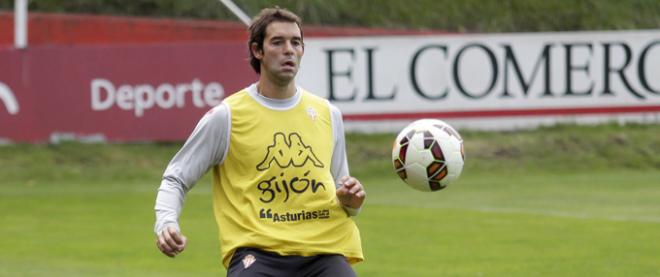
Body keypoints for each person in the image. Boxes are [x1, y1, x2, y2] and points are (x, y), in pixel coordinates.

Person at [154, 7, 366, 277]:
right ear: (258, 51)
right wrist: (166, 223)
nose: (289, 50)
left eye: (296, 42)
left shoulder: (327, 114)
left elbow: (343, 195)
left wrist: (352, 200)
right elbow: (176, 178)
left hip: (324, 252)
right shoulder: (227, 116)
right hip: (258, 254)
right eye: (278, 42)